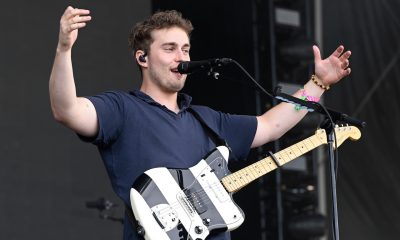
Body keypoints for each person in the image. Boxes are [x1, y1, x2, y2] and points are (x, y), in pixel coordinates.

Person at [49, 6, 351, 240]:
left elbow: (271, 126)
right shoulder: (122, 109)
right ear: (142, 58)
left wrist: (318, 84)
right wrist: (64, 50)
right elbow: (67, 110)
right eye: (169, 49)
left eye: (185, 49)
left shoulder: (206, 118)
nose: (181, 58)